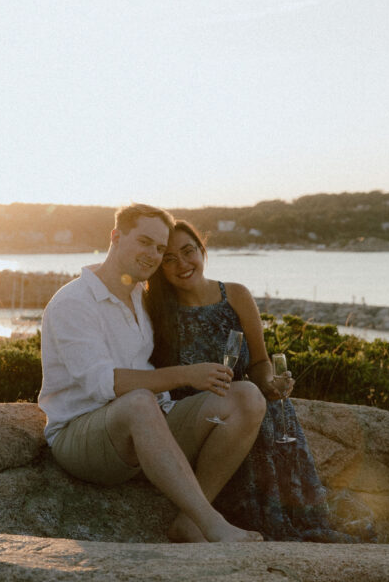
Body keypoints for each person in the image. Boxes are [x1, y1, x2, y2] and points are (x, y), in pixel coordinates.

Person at [38, 203, 266, 543]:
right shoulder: (75, 301)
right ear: (115, 237)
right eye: (145, 242)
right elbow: (104, 384)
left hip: (148, 426)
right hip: (80, 436)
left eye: (160, 249)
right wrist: (186, 375)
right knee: (138, 402)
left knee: (246, 397)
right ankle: (211, 522)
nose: (154, 255)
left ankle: (189, 520)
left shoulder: (140, 298)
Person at [146, 219, 367, 542]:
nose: (182, 264)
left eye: (188, 251)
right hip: (195, 415)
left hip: (244, 402)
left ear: (202, 250)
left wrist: (272, 384)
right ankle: (198, 517)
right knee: (247, 407)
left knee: (268, 409)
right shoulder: (154, 308)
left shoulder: (235, 295)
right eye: (168, 258)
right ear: (159, 266)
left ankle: (209, 516)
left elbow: (260, 362)